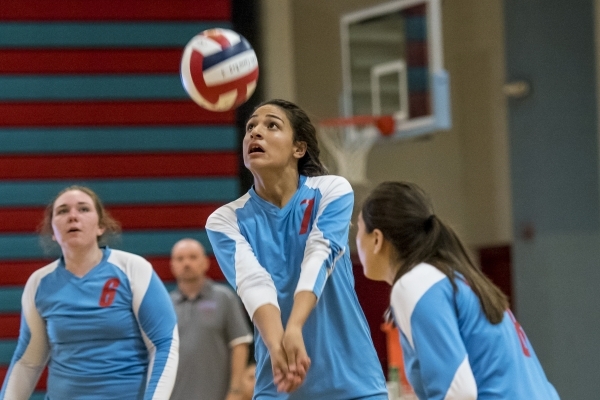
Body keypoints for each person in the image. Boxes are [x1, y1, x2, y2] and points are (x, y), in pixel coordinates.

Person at [206, 99, 388, 399]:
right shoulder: (224, 220)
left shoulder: (331, 190)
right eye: (250, 127)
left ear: (298, 148)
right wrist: (279, 346)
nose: (255, 133)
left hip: (353, 383)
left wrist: (295, 328)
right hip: (279, 386)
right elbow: (254, 284)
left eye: (271, 125)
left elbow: (319, 255)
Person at [356, 181, 560, 400]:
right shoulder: (449, 278)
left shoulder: (413, 284)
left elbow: (457, 393)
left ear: (376, 239)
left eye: (357, 229)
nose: (356, 240)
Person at [0, 185, 179, 400]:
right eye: (63, 211)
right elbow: (29, 361)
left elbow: (163, 344)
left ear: (101, 226)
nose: (73, 216)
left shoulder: (133, 268)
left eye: (83, 209)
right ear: (53, 232)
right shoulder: (39, 283)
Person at [169, 238, 253, 400]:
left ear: (205, 263)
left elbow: (240, 344)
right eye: (180, 259)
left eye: (193, 257)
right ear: (172, 266)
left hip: (218, 394)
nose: (186, 263)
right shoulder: (165, 305)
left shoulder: (224, 298)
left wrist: (236, 390)